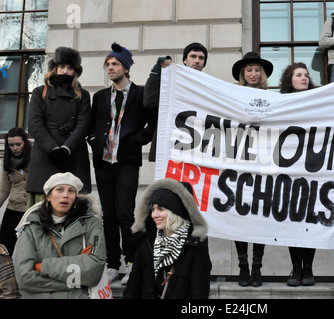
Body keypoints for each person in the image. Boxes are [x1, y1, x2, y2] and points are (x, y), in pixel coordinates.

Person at [88, 42, 153, 285]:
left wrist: (135, 141)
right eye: (108, 65)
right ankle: (113, 263)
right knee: (109, 215)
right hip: (104, 162)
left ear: (126, 68)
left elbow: (151, 126)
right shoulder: (101, 96)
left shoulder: (140, 94)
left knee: (126, 214)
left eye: (114, 64)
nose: (110, 68)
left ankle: (132, 261)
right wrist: (94, 141)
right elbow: (92, 126)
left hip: (127, 162)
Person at [13, 172, 106, 299]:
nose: (66, 195)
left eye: (71, 191)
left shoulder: (91, 224)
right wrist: (76, 282)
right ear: (49, 196)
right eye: (59, 190)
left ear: (75, 197)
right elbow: (24, 278)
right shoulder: (31, 226)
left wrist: (43, 267)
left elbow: (94, 270)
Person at [123, 178, 211, 299]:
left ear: (175, 212)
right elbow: (132, 287)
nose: (154, 214)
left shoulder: (195, 244)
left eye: (161, 209)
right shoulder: (146, 241)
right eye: (153, 209)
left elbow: (199, 293)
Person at [26, 46, 92, 206]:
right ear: (54, 68)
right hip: (45, 157)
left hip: (74, 157)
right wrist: (53, 149)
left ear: (75, 72)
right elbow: (34, 124)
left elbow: (83, 125)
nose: (65, 71)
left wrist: (66, 149)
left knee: (74, 209)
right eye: (62, 66)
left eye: (70, 68)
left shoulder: (82, 95)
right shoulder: (39, 92)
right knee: (42, 212)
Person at [230, 52, 273, 287]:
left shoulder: (272, 98)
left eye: (257, 70)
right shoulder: (234, 96)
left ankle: (257, 266)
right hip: (240, 162)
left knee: (260, 216)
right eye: (249, 70)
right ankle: (243, 265)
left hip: (264, 163)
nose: (253, 74)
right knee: (240, 215)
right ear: (242, 74)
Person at [279, 62, 318, 286]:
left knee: (309, 218)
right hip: (289, 168)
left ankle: (309, 269)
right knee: (293, 217)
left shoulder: (319, 99)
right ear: (289, 79)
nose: (304, 78)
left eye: (306, 75)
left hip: (313, 166)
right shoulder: (282, 102)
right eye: (298, 75)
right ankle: (295, 269)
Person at [144, 42, 208, 163]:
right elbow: (150, 102)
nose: (197, 61)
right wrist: (157, 72)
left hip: (195, 148)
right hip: (170, 145)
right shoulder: (171, 81)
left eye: (201, 58)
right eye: (193, 56)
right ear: (185, 60)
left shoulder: (208, 87)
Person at [0, 127, 31, 255]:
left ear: (25, 143)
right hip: (14, 208)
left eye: (18, 144)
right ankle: (6, 274)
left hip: (33, 209)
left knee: (33, 248)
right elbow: (3, 190)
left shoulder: (36, 159)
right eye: (11, 145)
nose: (15, 148)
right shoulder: (6, 163)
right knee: (4, 248)